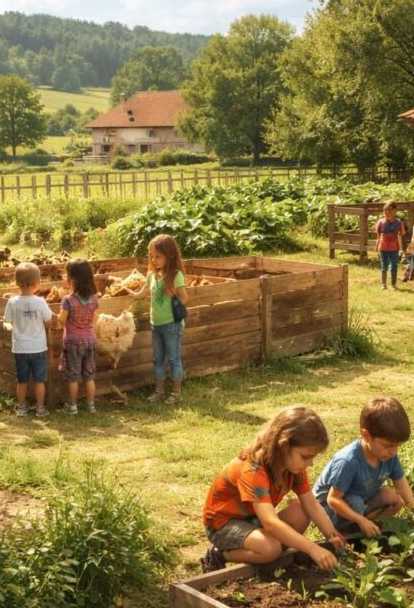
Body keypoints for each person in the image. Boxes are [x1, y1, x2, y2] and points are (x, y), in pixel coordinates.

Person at [200, 405, 347, 573]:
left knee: (301, 512)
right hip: (223, 525)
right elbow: (270, 523)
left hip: (254, 520)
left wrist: (331, 535)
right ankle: (219, 555)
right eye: (306, 457)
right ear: (284, 446)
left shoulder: (293, 468)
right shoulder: (253, 470)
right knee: (270, 548)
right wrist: (312, 548)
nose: (310, 463)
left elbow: (311, 505)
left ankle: (267, 557)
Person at [313, 397, 414, 536]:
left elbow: (402, 485)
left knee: (395, 498)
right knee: (355, 503)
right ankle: (347, 532)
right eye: (388, 445)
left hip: (361, 499)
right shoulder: (348, 461)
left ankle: (370, 527)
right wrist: (360, 519)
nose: (393, 451)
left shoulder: (388, 456)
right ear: (366, 435)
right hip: (329, 510)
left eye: (398, 445)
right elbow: (332, 499)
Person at [133, 234, 188, 404]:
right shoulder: (152, 275)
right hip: (155, 324)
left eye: (158, 256)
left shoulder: (176, 275)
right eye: (151, 256)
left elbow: (185, 299)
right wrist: (126, 291)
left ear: (170, 255)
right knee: (157, 359)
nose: (154, 260)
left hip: (172, 324)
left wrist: (172, 295)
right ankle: (159, 391)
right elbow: (142, 294)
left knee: (173, 359)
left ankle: (176, 393)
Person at [3, 262, 55, 418]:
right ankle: (40, 408)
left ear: (16, 282)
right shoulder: (40, 302)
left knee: (22, 381)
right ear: (38, 283)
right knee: (39, 380)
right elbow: (48, 321)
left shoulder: (12, 302)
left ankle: (21, 408)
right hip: (38, 348)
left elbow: (8, 321)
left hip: (20, 348)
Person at [58, 258, 99, 414]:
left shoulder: (68, 300)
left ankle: (72, 406)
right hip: (90, 341)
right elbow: (94, 318)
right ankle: (91, 406)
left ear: (72, 279)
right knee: (89, 376)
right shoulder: (94, 299)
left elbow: (62, 319)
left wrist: (56, 317)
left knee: (73, 376)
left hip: (73, 342)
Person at [375, 201, 406, 290]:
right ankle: (383, 284)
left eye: (390, 211)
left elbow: (400, 236)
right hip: (383, 247)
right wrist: (376, 247)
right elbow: (378, 236)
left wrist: (401, 249)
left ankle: (393, 284)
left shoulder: (399, 223)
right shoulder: (380, 222)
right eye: (385, 211)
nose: (387, 213)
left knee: (394, 266)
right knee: (383, 266)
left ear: (395, 211)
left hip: (394, 248)